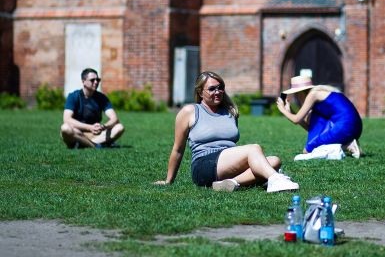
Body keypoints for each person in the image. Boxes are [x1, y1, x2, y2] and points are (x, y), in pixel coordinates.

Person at [154, 71, 299, 193]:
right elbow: (178, 149)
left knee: (274, 161)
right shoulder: (189, 111)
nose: (217, 92)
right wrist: (168, 180)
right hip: (204, 165)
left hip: (227, 163)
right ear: (200, 92)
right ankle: (276, 180)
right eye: (212, 89)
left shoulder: (230, 111)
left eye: (220, 87)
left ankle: (230, 183)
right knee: (254, 149)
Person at [276, 75, 363, 158]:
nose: (296, 97)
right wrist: (291, 112)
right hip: (357, 127)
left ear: (300, 93)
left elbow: (296, 120)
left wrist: (282, 109)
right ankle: (348, 144)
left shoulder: (313, 95)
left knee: (308, 151)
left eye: (296, 94)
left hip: (345, 126)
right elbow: (310, 128)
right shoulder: (321, 95)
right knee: (313, 117)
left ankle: (347, 146)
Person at [60, 68, 125, 149]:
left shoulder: (102, 97)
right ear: (83, 81)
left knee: (119, 127)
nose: (96, 82)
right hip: (77, 133)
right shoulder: (73, 96)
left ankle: (83, 144)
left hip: (96, 134)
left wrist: (103, 126)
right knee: (65, 128)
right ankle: (95, 146)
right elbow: (67, 119)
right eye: (92, 80)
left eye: (98, 79)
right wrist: (90, 127)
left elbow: (114, 119)